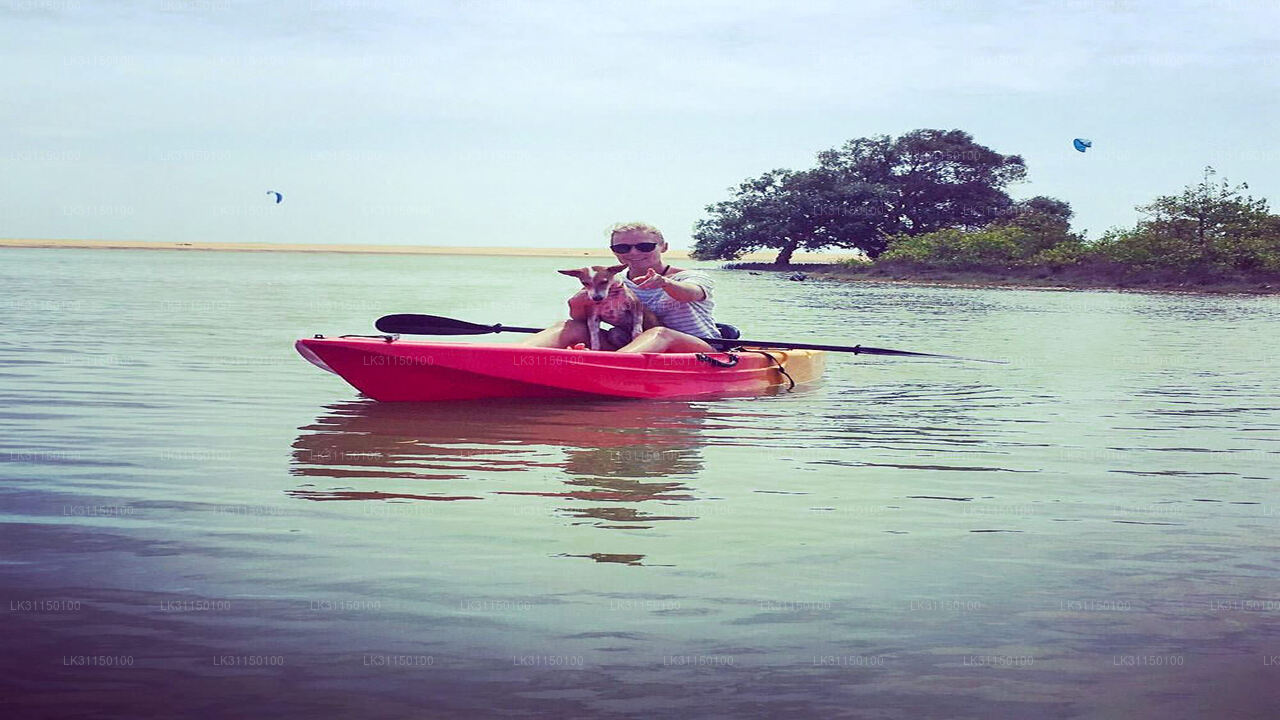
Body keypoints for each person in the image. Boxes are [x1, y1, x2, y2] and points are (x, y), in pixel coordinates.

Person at [522, 222, 721, 353]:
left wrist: (665, 283)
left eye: (644, 246)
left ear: (664, 247)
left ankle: (608, 366)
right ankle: (511, 356)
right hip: (632, 346)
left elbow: (690, 293)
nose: (633, 252)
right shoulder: (610, 283)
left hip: (698, 349)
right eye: (622, 248)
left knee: (660, 333)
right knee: (567, 326)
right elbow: (581, 318)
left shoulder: (692, 276)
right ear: (614, 252)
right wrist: (577, 302)